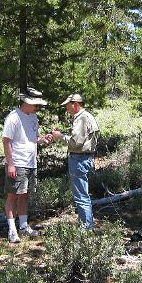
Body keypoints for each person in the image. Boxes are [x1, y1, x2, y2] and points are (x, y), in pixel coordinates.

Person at [3, 87, 52, 243]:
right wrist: (11, 164)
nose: (38, 108)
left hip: (31, 163)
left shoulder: (33, 117)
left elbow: (34, 138)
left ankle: (23, 226)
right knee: (12, 196)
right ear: (27, 102)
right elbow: (6, 141)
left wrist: (43, 139)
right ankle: (12, 230)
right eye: (36, 105)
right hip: (17, 163)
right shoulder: (13, 117)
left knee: (25, 195)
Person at [52, 93, 100, 230]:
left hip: (79, 159)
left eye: (68, 106)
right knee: (83, 195)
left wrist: (59, 136)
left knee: (81, 196)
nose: (67, 109)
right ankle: (86, 226)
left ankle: (86, 229)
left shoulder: (82, 118)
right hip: (84, 159)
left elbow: (76, 143)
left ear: (75, 104)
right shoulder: (87, 116)